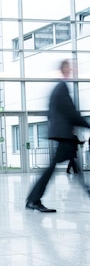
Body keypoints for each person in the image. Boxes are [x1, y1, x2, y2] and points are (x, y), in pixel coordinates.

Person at [26, 60, 90, 213]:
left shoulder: (59, 88)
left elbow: (53, 113)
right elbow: (70, 112)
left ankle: (33, 199)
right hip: (64, 135)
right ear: (64, 70)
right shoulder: (61, 87)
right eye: (69, 67)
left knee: (74, 168)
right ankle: (33, 199)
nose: (72, 69)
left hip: (63, 134)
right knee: (53, 167)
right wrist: (86, 124)